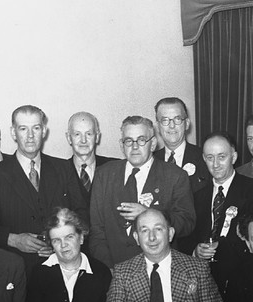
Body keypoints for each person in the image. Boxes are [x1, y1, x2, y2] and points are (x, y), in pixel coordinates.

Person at [0, 105, 88, 272]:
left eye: (35, 128)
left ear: (44, 131)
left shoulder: (63, 168)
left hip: (62, 268)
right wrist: (13, 239)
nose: (30, 136)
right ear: (14, 133)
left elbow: (82, 214)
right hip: (16, 270)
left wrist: (59, 241)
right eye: (23, 129)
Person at [99, 208, 221, 302]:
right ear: (136, 238)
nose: (152, 237)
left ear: (170, 234)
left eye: (158, 229)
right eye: (144, 231)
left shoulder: (197, 269)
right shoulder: (123, 272)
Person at [89, 115, 196, 268]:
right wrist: (110, 269)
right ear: (121, 145)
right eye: (128, 141)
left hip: (158, 268)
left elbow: (187, 223)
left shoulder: (175, 176)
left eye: (141, 140)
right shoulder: (104, 174)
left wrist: (149, 213)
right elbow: (97, 231)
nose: (134, 147)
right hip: (113, 269)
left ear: (152, 144)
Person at [176, 132, 253, 297]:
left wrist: (221, 248)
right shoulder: (197, 195)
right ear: (204, 158)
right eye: (210, 158)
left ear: (234, 157)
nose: (216, 164)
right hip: (202, 279)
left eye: (222, 157)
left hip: (240, 278)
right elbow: (186, 233)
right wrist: (195, 250)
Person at [26, 207, 112, 302]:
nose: (63, 245)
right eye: (56, 240)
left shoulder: (100, 272)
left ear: (81, 238)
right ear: (51, 244)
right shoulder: (39, 272)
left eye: (69, 237)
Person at [153, 97, 209, 194]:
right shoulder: (151, 161)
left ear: (187, 124)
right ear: (158, 126)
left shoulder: (205, 158)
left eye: (177, 119)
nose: (172, 126)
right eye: (165, 120)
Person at [63, 111, 115, 209]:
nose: (83, 140)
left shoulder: (114, 168)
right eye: (77, 134)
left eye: (89, 134)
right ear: (69, 138)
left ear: (97, 137)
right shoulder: (59, 173)